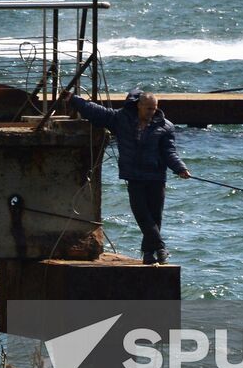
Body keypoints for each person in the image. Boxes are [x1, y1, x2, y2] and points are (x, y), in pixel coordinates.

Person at [60, 88, 191, 265]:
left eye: (154, 108)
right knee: (142, 215)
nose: (152, 112)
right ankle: (160, 247)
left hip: (156, 177)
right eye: (148, 108)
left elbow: (169, 152)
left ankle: (148, 254)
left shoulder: (165, 126)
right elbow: (96, 112)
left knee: (155, 216)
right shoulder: (122, 119)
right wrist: (74, 99)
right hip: (134, 176)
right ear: (139, 106)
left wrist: (180, 168)